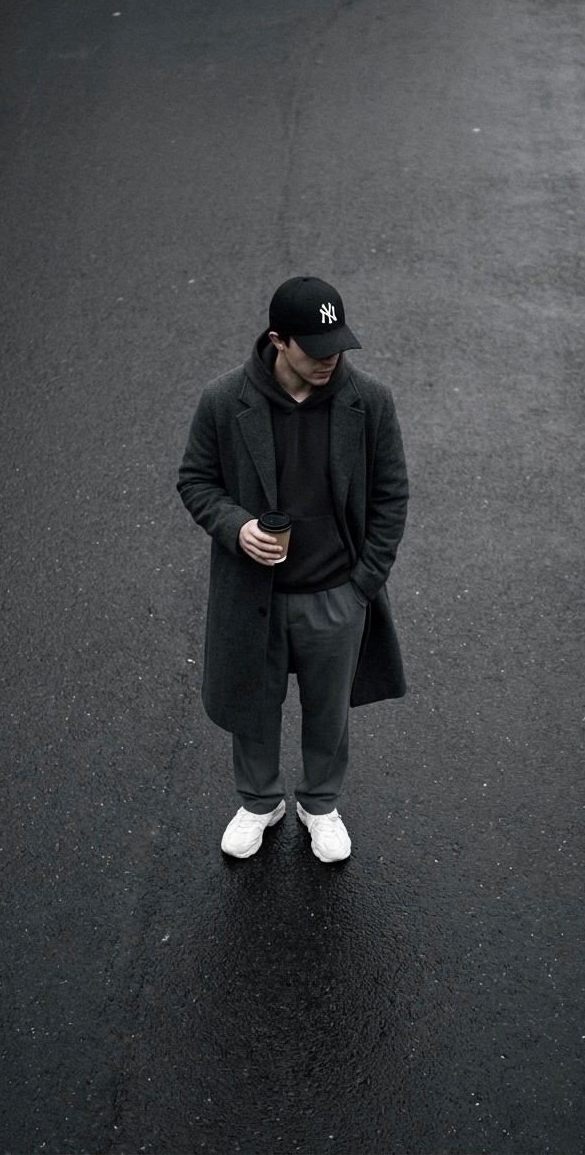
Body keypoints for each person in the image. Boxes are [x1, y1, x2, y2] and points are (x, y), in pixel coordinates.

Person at [177, 275, 408, 862]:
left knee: (328, 712)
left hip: (336, 595)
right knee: (253, 703)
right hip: (255, 593)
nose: (332, 359)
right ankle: (259, 803)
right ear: (278, 341)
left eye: (338, 346)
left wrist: (364, 584)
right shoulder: (224, 401)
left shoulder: (370, 402)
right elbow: (196, 480)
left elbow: (390, 497)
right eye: (317, 348)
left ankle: (320, 804)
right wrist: (237, 528)